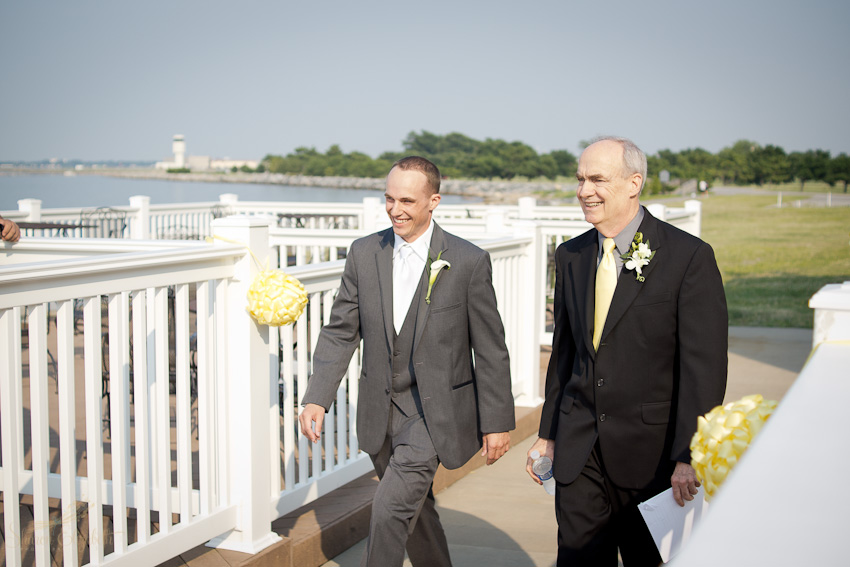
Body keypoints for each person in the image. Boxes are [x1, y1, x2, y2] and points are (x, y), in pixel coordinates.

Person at [299, 156, 515, 567]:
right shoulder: (364, 253)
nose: (395, 209)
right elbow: (341, 330)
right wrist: (317, 397)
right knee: (417, 510)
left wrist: (497, 421)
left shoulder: (468, 261)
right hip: (380, 411)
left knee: (389, 511)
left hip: (434, 416)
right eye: (389, 199)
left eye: (407, 201)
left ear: (433, 201)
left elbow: (490, 348)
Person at [526, 137, 727, 566]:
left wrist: (689, 455)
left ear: (634, 183)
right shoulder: (570, 255)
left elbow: (703, 369)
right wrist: (548, 435)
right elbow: (565, 353)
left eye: (597, 179)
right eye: (580, 179)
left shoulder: (689, 257)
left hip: (652, 458)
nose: (584, 190)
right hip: (579, 450)